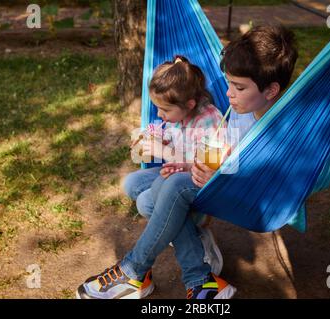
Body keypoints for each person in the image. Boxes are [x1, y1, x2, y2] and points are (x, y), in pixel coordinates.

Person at [77, 25, 298, 300]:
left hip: (237, 192)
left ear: (271, 90)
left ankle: (135, 271)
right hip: (209, 175)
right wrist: (185, 164)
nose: (229, 94)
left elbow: (262, 177)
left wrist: (213, 176)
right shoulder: (242, 108)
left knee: (166, 192)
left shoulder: (280, 126)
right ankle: (202, 277)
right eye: (228, 83)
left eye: (239, 87)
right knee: (138, 188)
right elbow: (219, 153)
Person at [77, 55, 226, 299]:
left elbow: (209, 166)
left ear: (189, 104)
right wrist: (149, 138)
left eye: (165, 109)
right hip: (174, 174)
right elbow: (164, 131)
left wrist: (165, 152)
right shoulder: (175, 116)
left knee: (146, 203)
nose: (159, 113)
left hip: (199, 185)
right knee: (132, 184)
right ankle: (193, 240)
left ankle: (138, 272)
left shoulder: (210, 120)